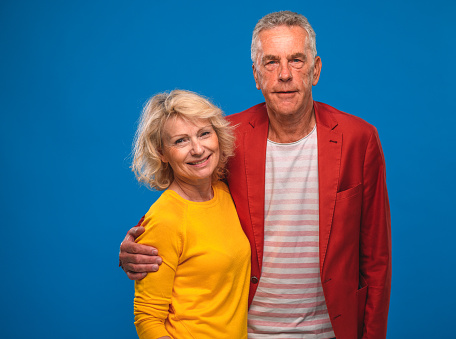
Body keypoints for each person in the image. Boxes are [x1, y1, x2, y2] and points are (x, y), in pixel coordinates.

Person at [120, 11, 391, 339]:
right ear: (256, 75)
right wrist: (140, 245)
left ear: (316, 69)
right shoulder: (225, 138)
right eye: (271, 62)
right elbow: (187, 202)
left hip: (332, 330)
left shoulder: (358, 138)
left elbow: (376, 258)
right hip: (248, 331)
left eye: (296, 60)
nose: (285, 75)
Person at [129, 90, 251, 339]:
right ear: (162, 153)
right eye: (180, 141)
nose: (198, 149)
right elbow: (148, 318)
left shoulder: (224, 192)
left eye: (204, 134)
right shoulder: (165, 218)